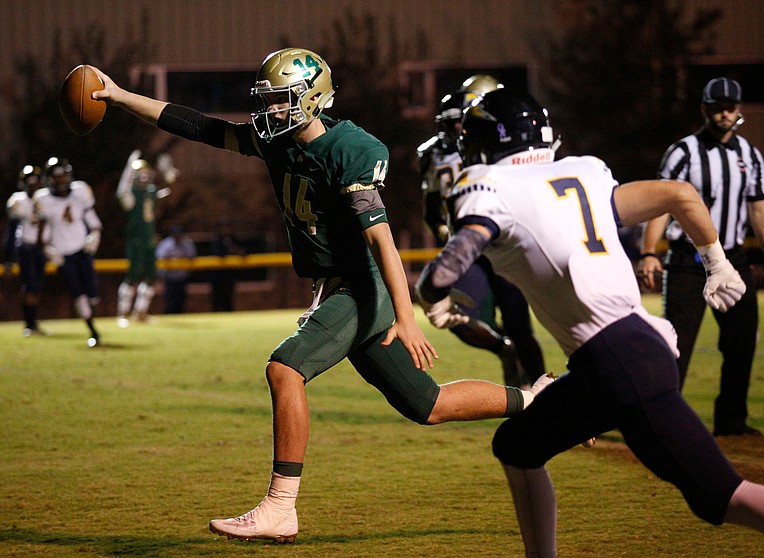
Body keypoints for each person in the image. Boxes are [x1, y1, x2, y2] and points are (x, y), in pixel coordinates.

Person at [91, 47, 542, 543]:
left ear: (311, 99)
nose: (269, 112)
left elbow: (382, 241)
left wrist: (406, 316)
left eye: (280, 101)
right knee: (427, 404)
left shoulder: (351, 149)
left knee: (285, 369)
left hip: (362, 287)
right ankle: (538, 398)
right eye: (265, 101)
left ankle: (281, 507)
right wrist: (118, 97)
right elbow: (196, 125)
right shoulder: (277, 143)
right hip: (337, 287)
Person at [416, 87, 764, 556]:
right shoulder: (583, 173)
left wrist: (433, 293)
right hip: (622, 352)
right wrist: (716, 262)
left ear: (485, 144)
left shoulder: (490, 185)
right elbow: (680, 194)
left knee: (719, 496)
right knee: (517, 445)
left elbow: (453, 262)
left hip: (621, 361)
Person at [640, 77, 764, 437]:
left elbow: (760, 208)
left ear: (739, 110)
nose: (724, 113)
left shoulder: (749, 154)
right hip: (688, 259)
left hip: (733, 258)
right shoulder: (683, 151)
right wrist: (648, 252)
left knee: (742, 339)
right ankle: (662, 419)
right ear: (704, 109)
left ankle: (732, 420)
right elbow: (660, 201)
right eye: (716, 106)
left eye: (730, 107)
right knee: (676, 343)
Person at [417, 74, 546, 388]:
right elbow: (432, 207)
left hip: (504, 242)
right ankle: (504, 349)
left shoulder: (511, 144)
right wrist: (448, 237)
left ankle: (541, 388)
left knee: (520, 325)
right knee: (454, 312)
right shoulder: (434, 152)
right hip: (469, 249)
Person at [34, 158, 102, 347]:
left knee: (93, 295)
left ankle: (93, 324)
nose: (61, 181)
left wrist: (94, 236)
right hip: (63, 255)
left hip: (82, 250)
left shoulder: (80, 192)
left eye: (63, 176)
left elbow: (92, 220)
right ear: (49, 179)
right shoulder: (43, 200)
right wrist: (48, 249)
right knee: (78, 294)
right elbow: (43, 232)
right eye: (57, 178)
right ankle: (93, 331)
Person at [116, 150, 175, 326]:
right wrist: (128, 168)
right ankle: (123, 313)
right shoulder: (131, 193)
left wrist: (171, 177)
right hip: (136, 241)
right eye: (139, 174)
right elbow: (121, 194)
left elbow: (166, 195)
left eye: (145, 174)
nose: (144, 177)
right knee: (132, 276)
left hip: (149, 240)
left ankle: (141, 311)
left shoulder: (150, 191)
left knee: (151, 276)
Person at [5, 164, 48, 336]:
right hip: (25, 248)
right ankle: (29, 324)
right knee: (30, 286)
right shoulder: (18, 201)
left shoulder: (46, 199)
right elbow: (12, 230)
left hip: (41, 248)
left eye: (35, 182)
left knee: (36, 286)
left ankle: (32, 323)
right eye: (29, 182)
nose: (33, 186)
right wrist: (8, 258)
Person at [155, 225, 196, 314]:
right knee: (170, 299)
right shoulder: (166, 244)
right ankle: (169, 314)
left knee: (181, 299)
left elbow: (192, 257)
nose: (178, 236)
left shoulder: (187, 243)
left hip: (182, 276)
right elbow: (160, 259)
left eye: (179, 234)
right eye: (176, 234)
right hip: (170, 277)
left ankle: (179, 314)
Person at [209, 217, 245, 312]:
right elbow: (216, 253)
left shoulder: (235, 239)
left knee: (228, 299)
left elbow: (243, 252)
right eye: (224, 227)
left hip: (229, 275)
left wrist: (239, 251)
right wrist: (229, 251)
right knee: (216, 300)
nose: (227, 229)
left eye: (229, 226)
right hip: (218, 275)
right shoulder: (217, 240)